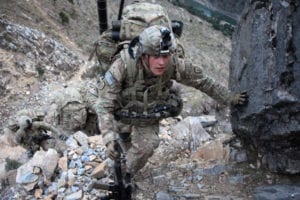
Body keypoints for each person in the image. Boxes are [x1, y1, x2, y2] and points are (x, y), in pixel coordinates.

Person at [93, 25, 248, 187]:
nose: (161, 62)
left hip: (147, 113)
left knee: (147, 147)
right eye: (156, 56)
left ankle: (126, 174)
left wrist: (231, 97)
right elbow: (104, 104)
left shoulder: (173, 65)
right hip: (121, 112)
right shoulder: (122, 65)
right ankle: (124, 139)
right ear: (143, 55)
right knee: (123, 139)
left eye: (165, 56)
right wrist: (108, 139)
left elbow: (204, 82)